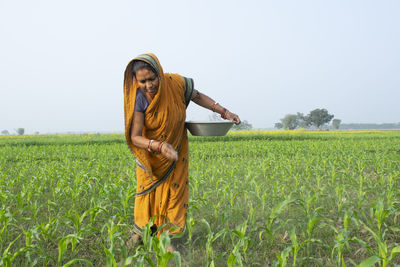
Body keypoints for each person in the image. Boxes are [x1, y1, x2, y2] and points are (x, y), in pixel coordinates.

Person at [123, 53, 240, 249]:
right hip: (151, 156)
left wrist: (224, 112)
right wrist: (159, 146)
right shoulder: (140, 97)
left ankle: (166, 238)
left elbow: (197, 96)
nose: (148, 85)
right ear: (136, 80)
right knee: (146, 194)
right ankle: (139, 234)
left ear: (159, 73)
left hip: (176, 149)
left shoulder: (175, 83)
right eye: (142, 81)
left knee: (173, 193)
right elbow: (135, 136)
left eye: (152, 79)